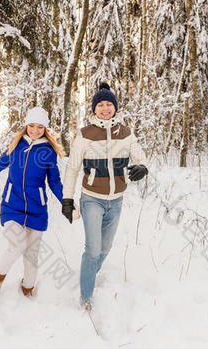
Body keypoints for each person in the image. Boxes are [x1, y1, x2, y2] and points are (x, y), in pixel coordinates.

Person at [62, 82, 149, 310]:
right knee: (92, 249)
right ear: (94, 109)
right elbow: (72, 168)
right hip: (92, 199)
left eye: (108, 104)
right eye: (100, 104)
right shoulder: (84, 135)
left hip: (117, 200)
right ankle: (85, 299)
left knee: (105, 247)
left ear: (115, 108)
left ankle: (87, 275)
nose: (104, 108)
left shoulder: (126, 134)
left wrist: (143, 167)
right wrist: (67, 199)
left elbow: (141, 157)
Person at [0, 107, 73, 300]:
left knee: (31, 255)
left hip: (37, 210)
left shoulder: (48, 152)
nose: (35, 130)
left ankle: (27, 289)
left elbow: (54, 181)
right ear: (26, 125)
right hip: (11, 206)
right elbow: (2, 161)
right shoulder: (17, 145)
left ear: (45, 129)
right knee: (17, 245)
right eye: (31, 125)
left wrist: (66, 200)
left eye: (40, 127)